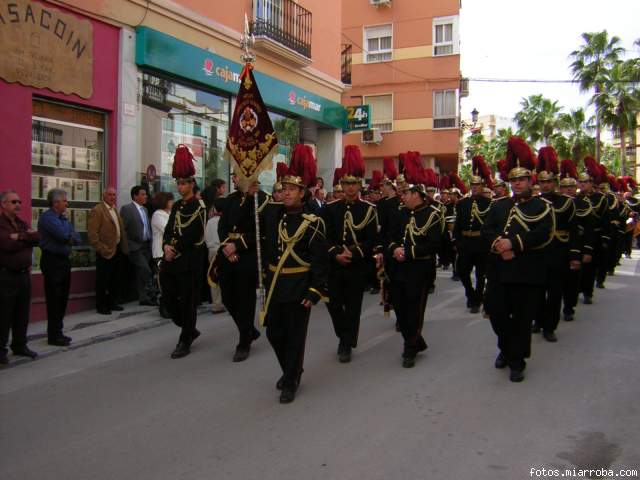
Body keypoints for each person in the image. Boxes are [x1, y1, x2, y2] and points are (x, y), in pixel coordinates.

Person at [482, 137, 553, 382]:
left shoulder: (542, 206)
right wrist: (499, 246)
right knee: (496, 313)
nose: (517, 183)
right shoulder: (499, 206)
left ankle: (517, 361)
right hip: (499, 270)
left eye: (522, 179)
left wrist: (514, 244)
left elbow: (543, 234)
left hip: (526, 271)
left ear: (530, 180)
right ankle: (505, 346)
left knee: (522, 319)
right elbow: (487, 230)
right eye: (513, 179)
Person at [261, 172, 328, 403]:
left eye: (292, 188)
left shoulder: (313, 222)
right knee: (273, 333)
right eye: (283, 188)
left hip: (299, 286)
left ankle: (290, 380)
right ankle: (293, 370)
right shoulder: (272, 214)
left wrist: (315, 290)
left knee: (294, 336)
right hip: (275, 286)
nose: (286, 192)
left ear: (302, 193)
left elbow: (319, 260)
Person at [323, 147, 378, 363]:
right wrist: (335, 253)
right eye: (345, 183)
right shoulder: (329, 209)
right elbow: (323, 237)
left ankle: (346, 343)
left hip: (356, 265)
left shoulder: (368, 209)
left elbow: (372, 240)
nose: (349, 187)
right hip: (334, 264)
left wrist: (354, 253)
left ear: (359, 185)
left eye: (353, 183)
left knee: (353, 306)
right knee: (334, 304)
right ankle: (343, 335)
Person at [386, 182, 442, 368]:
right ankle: (416, 340)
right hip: (398, 268)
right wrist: (394, 249)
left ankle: (410, 347)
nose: (402, 196)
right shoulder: (399, 213)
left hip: (419, 269)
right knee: (400, 309)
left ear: (417, 194)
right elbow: (389, 236)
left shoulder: (433, 215)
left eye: (406, 193)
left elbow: (435, 244)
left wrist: (408, 253)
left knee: (414, 309)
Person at [161, 145, 207, 359]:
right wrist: (166, 246)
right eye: (178, 183)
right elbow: (170, 228)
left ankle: (185, 339)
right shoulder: (178, 206)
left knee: (188, 302)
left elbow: (192, 233)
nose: (179, 187)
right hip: (172, 259)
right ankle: (189, 328)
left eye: (183, 183)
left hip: (189, 260)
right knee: (169, 299)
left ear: (191, 184)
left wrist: (175, 248)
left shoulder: (199, 207)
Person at [218, 180, 269, 362]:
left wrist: (237, 246)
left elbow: (260, 231)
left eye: (237, 176)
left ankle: (243, 342)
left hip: (247, 254)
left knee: (245, 299)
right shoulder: (231, 199)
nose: (233, 179)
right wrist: (227, 246)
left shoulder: (261, 199)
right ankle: (249, 330)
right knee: (227, 297)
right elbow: (222, 225)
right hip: (227, 253)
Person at [533, 148, 579, 343]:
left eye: (549, 181)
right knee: (536, 291)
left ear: (555, 182)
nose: (546, 185)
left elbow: (574, 230)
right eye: (542, 181)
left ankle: (550, 326)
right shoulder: (533, 202)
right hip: (537, 253)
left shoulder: (566, 202)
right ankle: (539, 319)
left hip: (559, 251)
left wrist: (575, 255)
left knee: (554, 293)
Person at [0, 190, 40, 364]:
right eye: (13, 202)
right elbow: (6, 244)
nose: (18, 205)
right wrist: (26, 239)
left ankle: (20, 344)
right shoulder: (1, 224)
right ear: (3, 204)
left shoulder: (20, 223)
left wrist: (20, 237)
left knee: (22, 312)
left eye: (19, 202)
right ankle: (1, 349)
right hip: (6, 275)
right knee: (4, 314)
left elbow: (37, 237)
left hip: (24, 275)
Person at [37, 188, 81, 346]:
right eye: (64, 201)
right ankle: (53, 334)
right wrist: (69, 236)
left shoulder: (63, 218)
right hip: (52, 261)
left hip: (64, 260)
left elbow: (76, 237)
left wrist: (70, 236)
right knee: (54, 298)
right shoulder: (48, 218)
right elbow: (63, 236)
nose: (67, 203)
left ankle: (58, 331)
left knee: (62, 297)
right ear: (55, 202)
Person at [453, 156, 492, 314]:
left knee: (481, 274)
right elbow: (458, 223)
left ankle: (477, 298)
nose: (475, 187)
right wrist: (457, 240)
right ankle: (470, 293)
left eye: (478, 185)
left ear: (482, 186)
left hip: (481, 243)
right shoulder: (463, 203)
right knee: (462, 271)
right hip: (465, 242)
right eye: (473, 185)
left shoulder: (489, 203)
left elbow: (490, 226)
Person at [88, 187, 129, 315]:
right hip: (105, 251)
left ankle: (112, 302)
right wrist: (101, 248)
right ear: (104, 195)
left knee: (114, 279)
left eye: (114, 195)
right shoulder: (98, 210)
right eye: (110, 195)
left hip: (117, 249)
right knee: (103, 280)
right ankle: (101, 305)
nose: (112, 197)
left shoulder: (114, 209)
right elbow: (92, 234)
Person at [120, 186, 155, 306]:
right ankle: (145, 291)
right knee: (146, 269)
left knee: (141, 272)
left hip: (146, 245)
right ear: (135, 196)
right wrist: (126, 245)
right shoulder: (127, 209)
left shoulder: (145, 210)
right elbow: (123, 229)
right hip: (134, 246)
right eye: (143, 194)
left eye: (145, 194)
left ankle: (143, 297)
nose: (145, 196)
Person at [151, 191, 174, 318]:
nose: (172, 203)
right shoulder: (157, 215)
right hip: (160, 252)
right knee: (163, 281)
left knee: (170, 281)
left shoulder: (170, 213)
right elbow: (168, 229)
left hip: (170, 252)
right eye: (170, 200)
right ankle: (164, 307)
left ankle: (170, 305)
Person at [205, 199, 225, 314]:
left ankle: (216, 304)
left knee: (213, 276)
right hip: (222, 250)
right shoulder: (225, 221)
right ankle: (224, 301)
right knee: (224, 276)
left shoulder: (210, 221)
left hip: (212, 250)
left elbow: (207, 237)